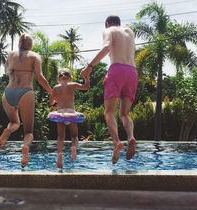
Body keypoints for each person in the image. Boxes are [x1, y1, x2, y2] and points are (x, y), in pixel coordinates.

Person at [81, 15, 138, 164]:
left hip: (116, 70)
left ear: (107, 24)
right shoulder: (130, 32)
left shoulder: (109, 30)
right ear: (120, 23)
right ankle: (131, 136)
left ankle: (117, 142)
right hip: (132, 71)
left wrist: (89, 67)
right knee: (125, 113)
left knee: (109, 112)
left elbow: (106, 48)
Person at [0, 33, 53, 167]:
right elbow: (40, 78)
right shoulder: (35, 56)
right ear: (30, 44)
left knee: (14, 122)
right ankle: (25, 147)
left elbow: (6, 71)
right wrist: (52, 93)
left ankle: (8, 131)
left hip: (8, 92)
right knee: (28, 132)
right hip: (25, 92)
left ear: (19, 43)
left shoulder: (11, 54)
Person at [50, 68, 90, 168]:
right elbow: (86, 87)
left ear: (58, 78)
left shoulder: (56, 87)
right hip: (71, 113)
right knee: (74, 136)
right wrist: (86, 78)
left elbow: (51, 102)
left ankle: (59, 154)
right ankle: (74, 148)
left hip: (60, 114)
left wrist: (55, 101)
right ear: (70, 77)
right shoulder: (72, 85)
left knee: (60, 137)